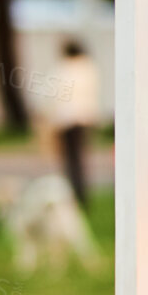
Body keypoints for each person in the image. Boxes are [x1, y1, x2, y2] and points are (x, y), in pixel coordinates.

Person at [50, 40, 101, 209]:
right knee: (80, 158)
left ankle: (72, 193)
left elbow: (57, 97)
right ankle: (82, 194)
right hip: (84, 119)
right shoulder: (89, 67)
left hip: (66, 120)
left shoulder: (63, 68)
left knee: (70, 160)